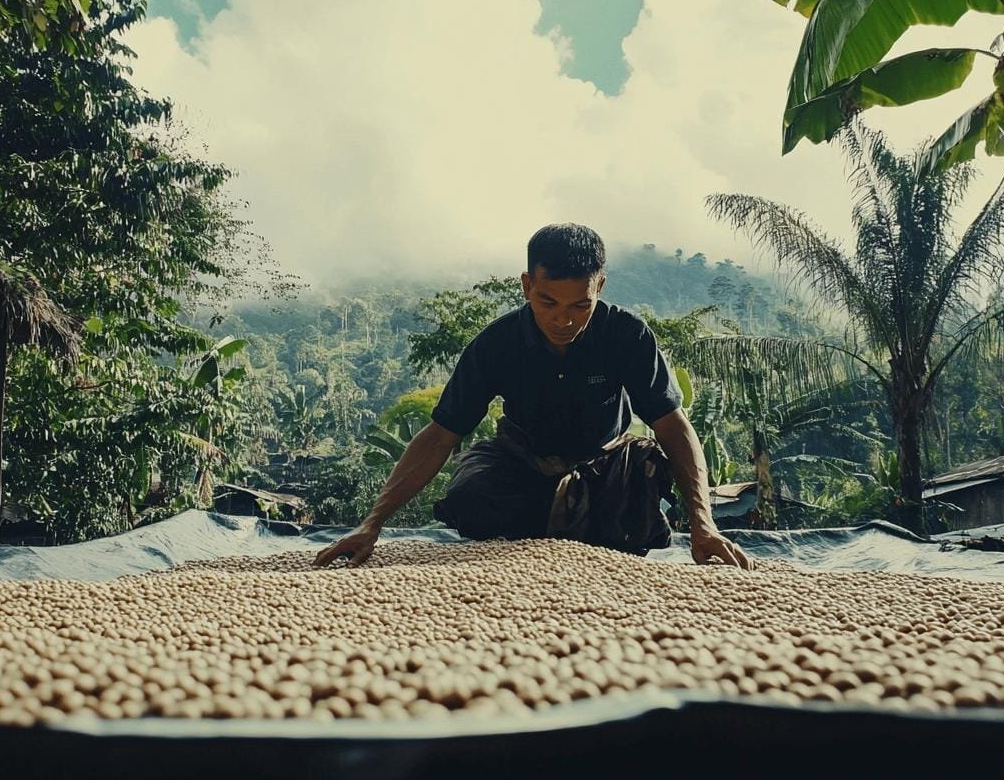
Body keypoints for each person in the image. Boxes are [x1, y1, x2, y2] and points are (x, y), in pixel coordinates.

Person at [313, 223, 751, 570]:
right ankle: (558, 529)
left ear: (600, 286)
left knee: (639, 495)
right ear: (526, 286)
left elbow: (672, 425)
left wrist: (703, 524)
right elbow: (440, 435)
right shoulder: (496, 343)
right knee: (471, 493)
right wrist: (371, 526)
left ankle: (581, 528)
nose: (564, 320)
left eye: (580, 306)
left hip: (603, 463)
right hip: (521, 462)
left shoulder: (627, 335)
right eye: (548, 303)